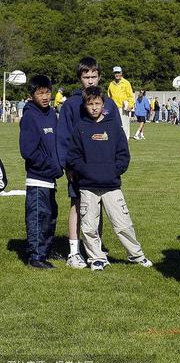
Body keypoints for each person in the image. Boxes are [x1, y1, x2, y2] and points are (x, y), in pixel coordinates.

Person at [66, 86, 152, 271]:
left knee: (122, 224)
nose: (94, 108)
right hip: (88, 186)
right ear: (85, 105)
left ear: (103, 104)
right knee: (89, 226)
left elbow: (123, 155)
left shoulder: (113, 126)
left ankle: (136, 255)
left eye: (98, 104)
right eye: (90, 104)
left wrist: (114, 171)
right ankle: (96, 258)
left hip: (111, 185)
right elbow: (73, 156)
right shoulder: (80, 128)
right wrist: (86, 171)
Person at [57, 57, 121, 269]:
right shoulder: (70, 105)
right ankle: (74, 252)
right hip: (79, 168)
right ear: (79, 78)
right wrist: (69, 167)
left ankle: (96, 251)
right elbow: (63, 138)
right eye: (86, 77)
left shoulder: (109, 103)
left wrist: (114, 165)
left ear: (100, 77)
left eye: (94, 76)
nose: (91, 81)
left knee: (98, 207)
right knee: (77, 205)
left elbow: (117, 136)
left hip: (103, 168)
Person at [19, 75, 64, 269]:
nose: (45, 96)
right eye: (40, 93)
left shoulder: (51, 113)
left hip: (51, 179)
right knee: (38, 217)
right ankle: (36, 257)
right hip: (38, 179)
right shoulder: (30, 116)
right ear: (31, 95)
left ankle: (46, 249)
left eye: (47, 92)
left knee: (50, 216)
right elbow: (28, 151)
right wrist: (52, 166)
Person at [107, 66, 135, 139]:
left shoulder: (126, 83)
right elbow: (109, 97)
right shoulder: (111, 84)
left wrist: (130, 105)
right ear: (113, 74)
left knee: (124, 125)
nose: (117, 74)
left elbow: (131, 96)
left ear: (121, 73)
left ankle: (125, 140)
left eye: (118, 72)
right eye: (115, 73)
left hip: (123, 108)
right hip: (114, 108)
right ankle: (116, 140)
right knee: (115, 125)